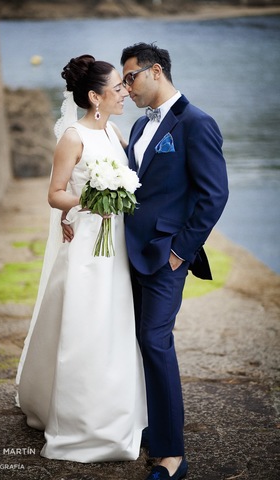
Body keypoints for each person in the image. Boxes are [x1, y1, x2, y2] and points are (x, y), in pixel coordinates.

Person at [15, 54, 147, 463]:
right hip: (88, 247)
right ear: (94, 96)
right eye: (117, 88)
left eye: (125, 87)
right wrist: (90, 200)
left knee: (116, 326)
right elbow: (55, 194)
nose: (125, 92)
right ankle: (78, 422)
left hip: (117, 246)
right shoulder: (73, 136)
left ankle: (116, 414)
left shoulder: (114, 132)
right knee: (85, 327)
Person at [119, 42, 229, 480]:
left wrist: (180, 250)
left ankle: (172, 456)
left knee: (155, 341)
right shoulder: (140, 128)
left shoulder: (197, 123)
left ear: (156, 71)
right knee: (132, 340)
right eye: (124, 80)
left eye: (131, 77)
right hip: (128, 253)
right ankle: (148, 426)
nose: (126, 87)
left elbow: (214, 194)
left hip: (166, 256)